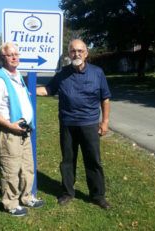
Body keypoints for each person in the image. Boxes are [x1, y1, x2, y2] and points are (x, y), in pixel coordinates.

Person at [36, 39, 111, 210]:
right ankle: (68, 192)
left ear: (86, 53)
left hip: (90, 124)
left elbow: (105, 99)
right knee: (68, 161)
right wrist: (27, 90)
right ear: (68, 54)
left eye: (79, 51)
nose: (76, 54)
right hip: (67, 124)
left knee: (93, 161)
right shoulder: (62, 74)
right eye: (72, 51)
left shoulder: (97, 73)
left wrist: (105, 122)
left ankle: (97, 195)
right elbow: (48, 90)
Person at [0, 42, 43, 216]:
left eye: (16, 54)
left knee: (27, 167)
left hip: (24, 130)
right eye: (10, 55)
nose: (15, 57)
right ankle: (11, 204)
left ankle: (26, 197)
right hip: (10, 132)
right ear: (3, 58)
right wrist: (10, 125)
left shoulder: (16, 77)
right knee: (10, 169)